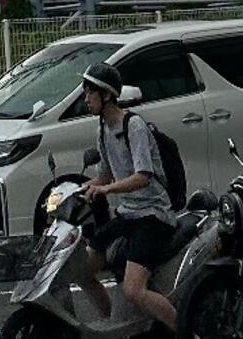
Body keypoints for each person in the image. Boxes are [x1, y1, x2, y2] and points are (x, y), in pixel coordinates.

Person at [74, 65, 178, 332]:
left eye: (90, 93)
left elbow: (143, 176)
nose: (86, 98)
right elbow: (104, 176)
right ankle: (115, 326)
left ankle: (185, 330)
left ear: (106, 95)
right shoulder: (102, 130)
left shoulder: (134, 126)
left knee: (134, 289)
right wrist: (73, 191)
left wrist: (107, 190)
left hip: (153, 215)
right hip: (128, 214)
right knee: (83, 271)